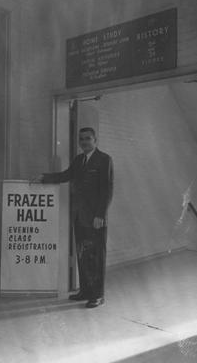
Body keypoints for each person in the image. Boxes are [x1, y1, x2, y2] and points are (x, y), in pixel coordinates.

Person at [39, 127, 113, 308]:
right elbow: (65, 175)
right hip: (79, 216)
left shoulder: (104, 160)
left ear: (95, 140)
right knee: (82, 254)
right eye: (81, 139)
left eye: (88, 138)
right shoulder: (79, 160)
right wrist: (43, 178)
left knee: (96, 256)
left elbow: (107, 190)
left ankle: (97, 295)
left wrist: (100, 215)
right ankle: (85, 291)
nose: (84, 142)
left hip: (95, 218)